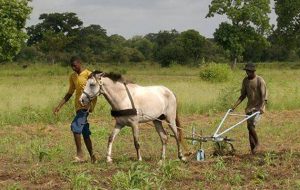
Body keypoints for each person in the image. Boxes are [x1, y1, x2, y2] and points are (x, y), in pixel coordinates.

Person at [53, 56, 97, 163]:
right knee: (85, 132)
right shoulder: (73, 76)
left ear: (80, 63)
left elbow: (95, 91)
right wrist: (59, 106)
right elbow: (69, 93)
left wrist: (90, 105)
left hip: (85, 107)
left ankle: (80, 154)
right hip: (78, 106)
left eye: (75, 65)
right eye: (71, 66)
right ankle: (93, 157)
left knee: (75, 126)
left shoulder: (89, 74)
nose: (73, 68)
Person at [231, 62, 267, 154]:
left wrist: (261, 107)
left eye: (249, 71)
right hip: (249, 108)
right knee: (249, 129)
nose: (247, 73)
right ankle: (253, 151)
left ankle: (258, 143)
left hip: (259, 107)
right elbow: (243, 95)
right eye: (246, 71)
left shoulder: (260, 80)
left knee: (251, 126)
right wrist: (234, 106)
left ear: (253, 71)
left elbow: (263, 97)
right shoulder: (245, 81)